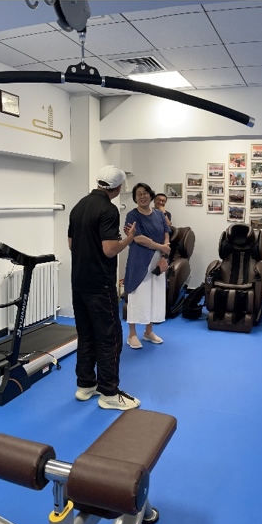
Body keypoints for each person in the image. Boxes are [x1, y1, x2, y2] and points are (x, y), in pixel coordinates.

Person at [68, 165, 140, 411]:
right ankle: (109, 393)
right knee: (110, 338)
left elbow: (71, 244)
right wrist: (129, 238)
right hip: (100, 285)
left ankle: (85, 385)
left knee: (86, 335)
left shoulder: (79, 206)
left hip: (79, 283)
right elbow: (109, 250)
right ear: (118, 188)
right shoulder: (108, 209)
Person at [124, 183, 172, 350]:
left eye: (145, 193)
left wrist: (164, 257)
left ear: (151, 195)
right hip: (139, 261)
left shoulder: (159, 214)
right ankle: (132, 334)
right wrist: (161, 247)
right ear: (135, 198)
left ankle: (148, 331)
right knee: (137, 295)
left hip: (158, 261)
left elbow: (166, 234)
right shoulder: (132, 215)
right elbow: (138, 238)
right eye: (138, 194)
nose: (142, 196)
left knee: (154, 295)